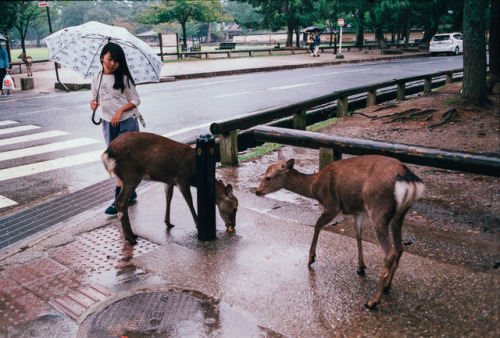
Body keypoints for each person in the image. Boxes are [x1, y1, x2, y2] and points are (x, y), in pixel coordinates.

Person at [90, 42, 140, 215]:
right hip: (107, 123)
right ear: (102, 56)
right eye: (110, 59)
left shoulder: (124, 78)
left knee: (120, 161)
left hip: (126, 122)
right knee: (114, 159)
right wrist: (93, 104)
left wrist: (120, 111)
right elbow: (95, 98)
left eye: (116, 61)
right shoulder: (97, 78)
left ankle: (119, 200)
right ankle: (130, 192)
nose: (112, 64)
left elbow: (135, 100)